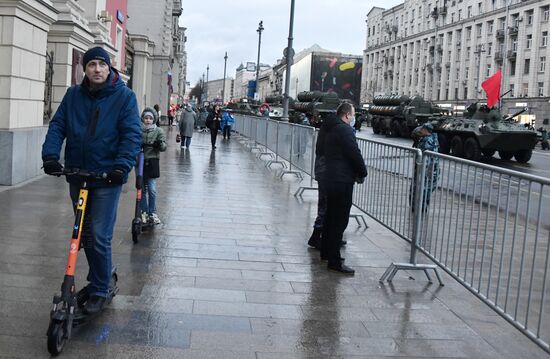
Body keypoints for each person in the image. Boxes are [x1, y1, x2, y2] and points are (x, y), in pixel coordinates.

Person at [41, 46, 141, 313]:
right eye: (91, 64)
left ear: (109, 68)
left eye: (102, 64)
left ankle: (100, 287)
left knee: (98, 235)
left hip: (108, 177)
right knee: (83, 235)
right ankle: (102, 274)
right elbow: (58, 125)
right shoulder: (73, 95)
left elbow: (132, 134)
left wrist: (121, 167)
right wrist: (51, 157)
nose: (97, 69)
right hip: (78, 174)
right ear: (84, 69)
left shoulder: (124, 97)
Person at [317, 102, 367, 275]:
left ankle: (326, 252)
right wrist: (363, 171)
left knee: (330, 217)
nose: (353, 118)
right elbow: (354, 153)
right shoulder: (345, 130)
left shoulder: (330, 128)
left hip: (330, 177)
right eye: (352, 115)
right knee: (339, 220)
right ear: (346, 115)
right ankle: (334, 260)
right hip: (342, 180)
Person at [140, 107, 167, 224]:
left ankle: (153, 212)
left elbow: (164, 147)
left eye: (150, 118)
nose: (148, 120)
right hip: (140, 162)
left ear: (154, 119)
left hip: (152, 162)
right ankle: (144, 212)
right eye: (146, 118)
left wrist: (159, 145)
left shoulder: (158, 131)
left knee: (152, 189)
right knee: (141, 189)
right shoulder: (138, 130)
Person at [411, 122, 440, 211]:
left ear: (425, 130)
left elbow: (422, 153)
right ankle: (421, 207)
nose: (420, 131)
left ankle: (419, 208)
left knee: (422, 188)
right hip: (432, 168)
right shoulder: (434, 138)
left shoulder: (426, 140)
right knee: (427, 187)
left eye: (422, 129)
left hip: (426, 167)